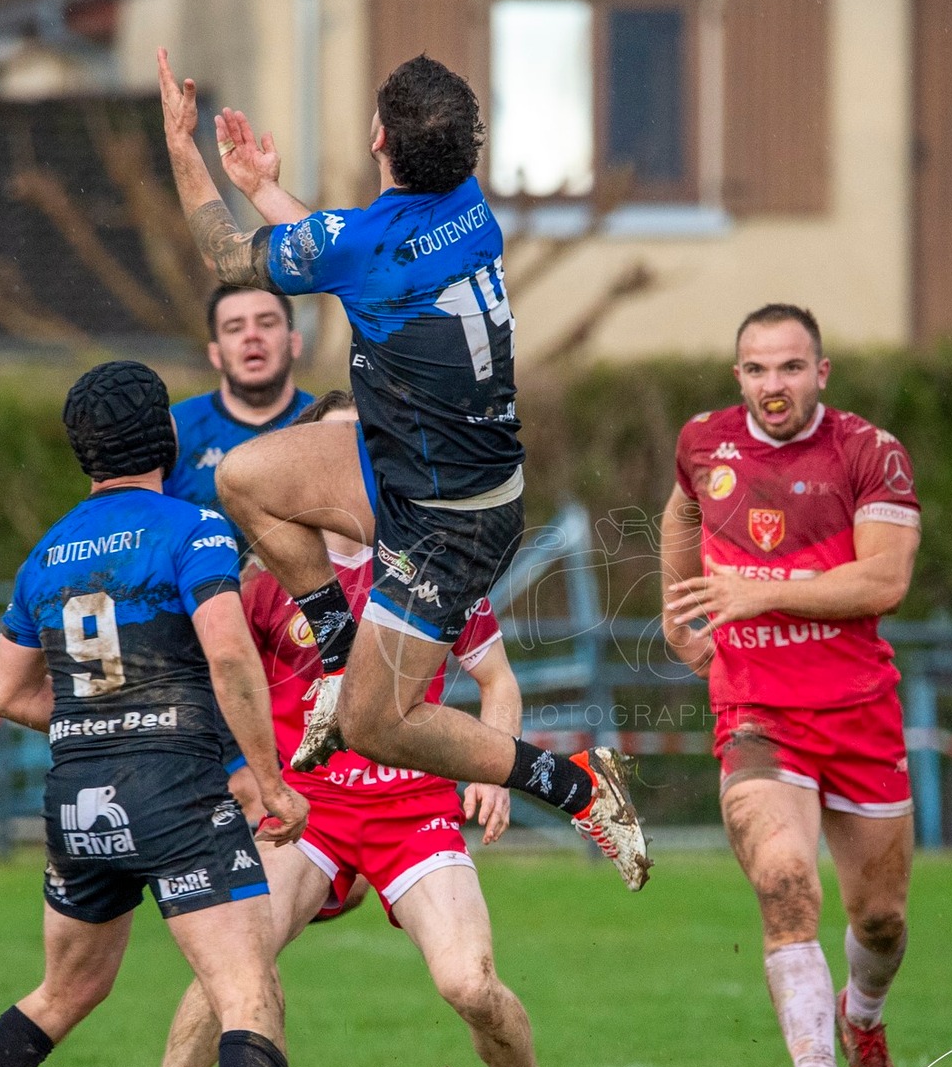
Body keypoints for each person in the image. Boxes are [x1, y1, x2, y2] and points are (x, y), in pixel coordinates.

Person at [153, 47, 649, 890]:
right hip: (414, 470)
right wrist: (267, 188)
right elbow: (356, 254)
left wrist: (184, 147)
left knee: (378, 726)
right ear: (465, 155)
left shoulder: (367, 241)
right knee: (245, 478)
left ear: (377, 137)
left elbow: (233, 258)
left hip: (452, 521)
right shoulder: (468, 208)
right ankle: (339, 653)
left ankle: (576, 785)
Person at [96, 391, 606, 1067]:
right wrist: (248, 776)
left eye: (355, 452)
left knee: (469, 984)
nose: (338, 471)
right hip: (313, 808)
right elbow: (232, 687)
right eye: (322, 452)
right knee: (238, 958)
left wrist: (498, 770)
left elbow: (497, 680)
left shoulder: (430, 570)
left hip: (414, 808)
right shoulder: (266, 578)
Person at [0, 360, 338, 1067]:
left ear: (82, 454)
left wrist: (99, 728)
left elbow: (10, 693)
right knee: (247, 984)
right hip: (173, 789)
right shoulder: (193, 529)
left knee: (65, 989)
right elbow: (227, 653)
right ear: (170, 439)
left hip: (77, 796)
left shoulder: (47, 553)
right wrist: (267, 777)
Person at [660, 304, 922, 1067]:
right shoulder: (704, 440)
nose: (773, 386)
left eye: (790, 368)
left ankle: (864, 1020)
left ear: (822, 372)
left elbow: (882, 581)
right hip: (756, 710)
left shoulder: (868, 451)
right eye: (756, 369)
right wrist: (679, 616)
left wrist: (758, 591)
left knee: (879, 919)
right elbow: (680, 513)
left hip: (857, 710)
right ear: (738, 375)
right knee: (783, 879)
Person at [163, 285, 315, 512]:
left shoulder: (328, 425)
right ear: (215, 355)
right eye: (235, 328)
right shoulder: (175, 429)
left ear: (294, 343)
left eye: (267, 323)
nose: (252, 336)